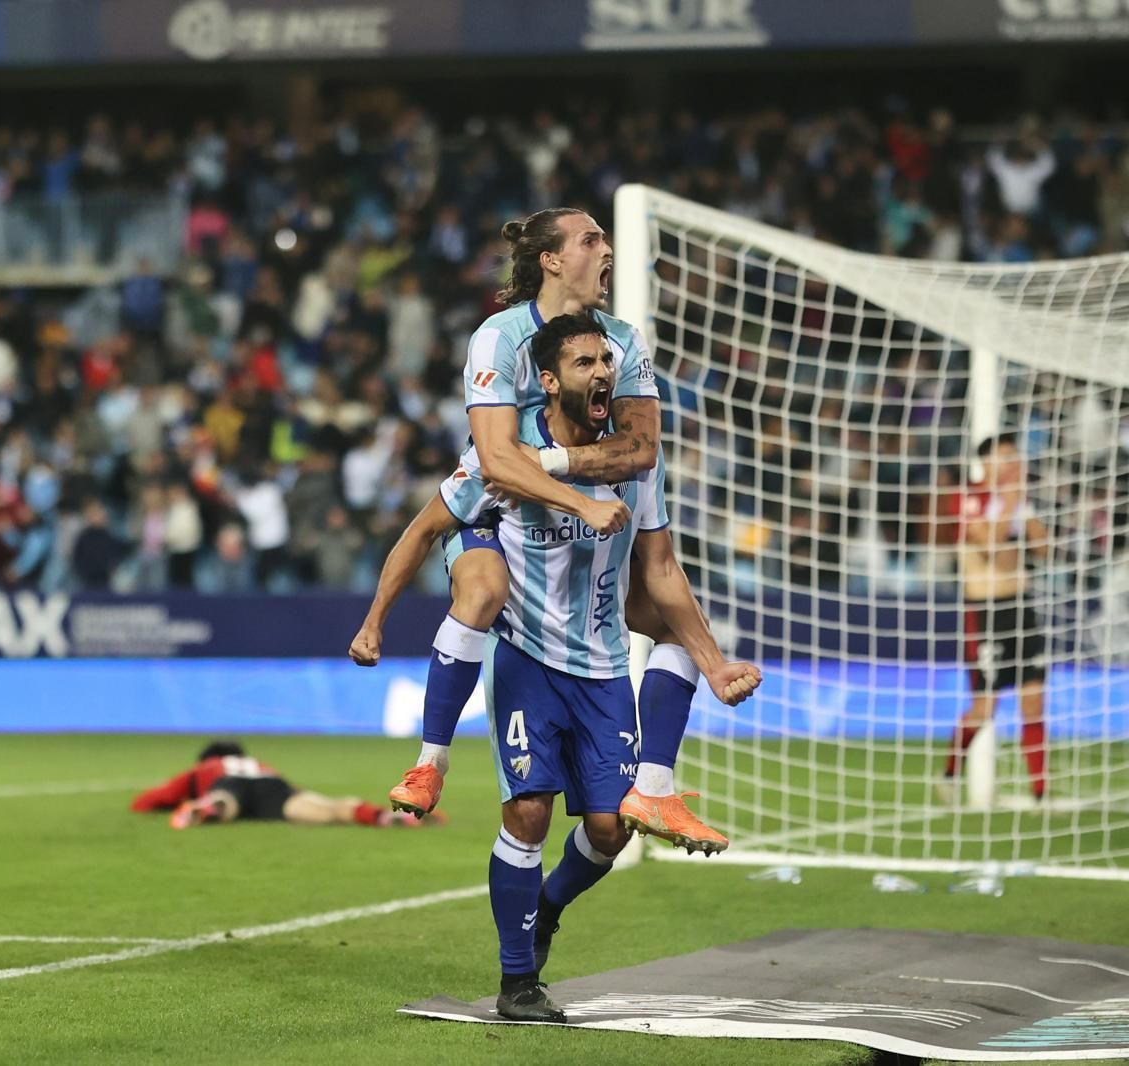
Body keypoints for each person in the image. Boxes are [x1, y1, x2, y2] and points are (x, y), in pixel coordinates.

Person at [356, 316, 760, 1020]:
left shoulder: (637, 461)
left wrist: (714, 661)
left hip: (602, 666)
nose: (602, 371)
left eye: (606, 359)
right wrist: (374, 622)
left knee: (610, 833)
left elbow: (661, 568)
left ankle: (544, 906)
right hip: (526, 661)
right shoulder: (507, 458)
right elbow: (423, 530)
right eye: (582, 362)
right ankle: (518, 982)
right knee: (529, 813)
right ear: (548, 381)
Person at [372, 209, 709, 854]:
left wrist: (556, 465)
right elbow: (497, 460)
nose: (606, 248)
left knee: (673, 621)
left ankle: (655, 786)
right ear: (551, 260)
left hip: (580, 506)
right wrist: (375, 621)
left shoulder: (623, 340)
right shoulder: (499, 337)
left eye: (608, 237)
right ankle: (431, 762)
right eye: (591, 239)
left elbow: (641, 449)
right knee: (480, 593)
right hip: (499, 509)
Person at [944, 432, 1049, 804]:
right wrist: (1011, 504)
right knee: (986, 707)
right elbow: (988, 547)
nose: (1014, 462)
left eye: (1015, 455)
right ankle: (950, 773)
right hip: (985, 613)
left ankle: (1040, 793)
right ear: (987, 462)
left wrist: (1026, 511)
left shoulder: (1018, 501)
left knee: (1034, 700)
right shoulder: (969, 497)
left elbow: (1044, 549)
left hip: (1022, 609)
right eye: (1006, 456)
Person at [131, 740, 440, 830]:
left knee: (227, 798)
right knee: (328, 810)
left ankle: (209, 808)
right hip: (274, 788)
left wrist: (156, 804)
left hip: (230, 786)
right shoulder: (259, 764)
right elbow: (290, 789)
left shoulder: (208, 768)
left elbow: (150, 800)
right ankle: (385, 817)